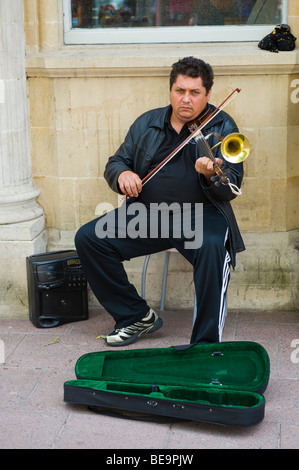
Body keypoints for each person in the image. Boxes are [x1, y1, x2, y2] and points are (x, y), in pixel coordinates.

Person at [75, 56, 245, 347]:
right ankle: (135, 316)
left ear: (207, 95)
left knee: (214, 249)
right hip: (149, 214)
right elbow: (116, 161)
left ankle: (204, 345)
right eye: (180, 91)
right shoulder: (148, 123)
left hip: (201, 215)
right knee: (90, 238)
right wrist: (122, 174)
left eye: (195, 92)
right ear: (170, 91)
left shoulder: (223, 125)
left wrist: (210, 176)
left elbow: (231, 187)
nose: (186, 100)